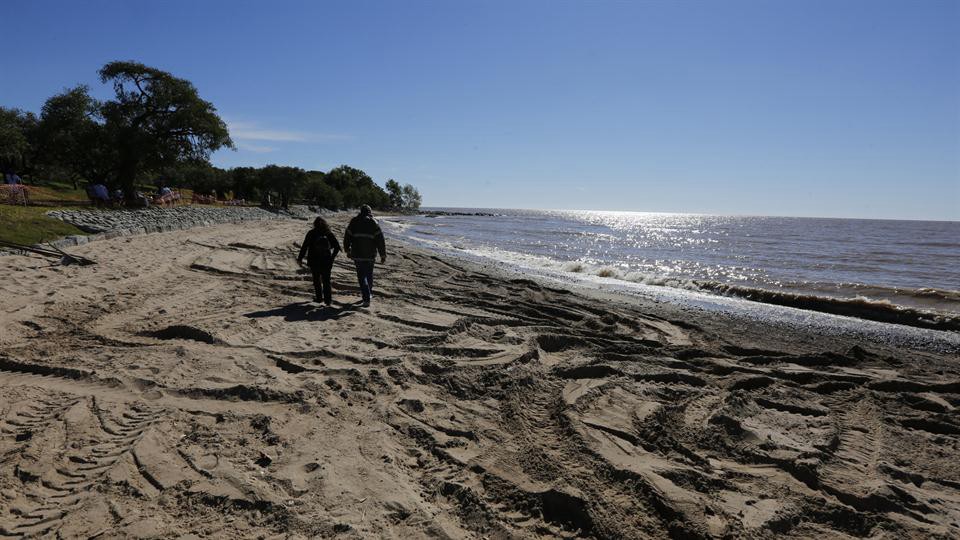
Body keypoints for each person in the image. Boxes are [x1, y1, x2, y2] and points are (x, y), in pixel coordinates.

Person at [343, 205, 386, 307]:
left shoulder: (354, 221)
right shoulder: (374, 222)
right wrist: (383, 255)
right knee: (369, 274)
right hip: (370, 255)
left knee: (362, 276)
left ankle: (366, 297)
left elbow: (347, 236)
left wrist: (347, 249)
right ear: (369, 212)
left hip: (357, 254)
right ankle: (368, 294)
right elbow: (380, 241)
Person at [297, 216, 341, 306]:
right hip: (326, 260)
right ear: (325, 224)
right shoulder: (328, 233)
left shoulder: (311, 233)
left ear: (314, 224)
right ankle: (328, 301)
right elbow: (337, 247)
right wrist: (332, 258)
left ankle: (319, 298)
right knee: (326, 280)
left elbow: (305, 246)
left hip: (314, 260)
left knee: (316, 280)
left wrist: (300, 258)